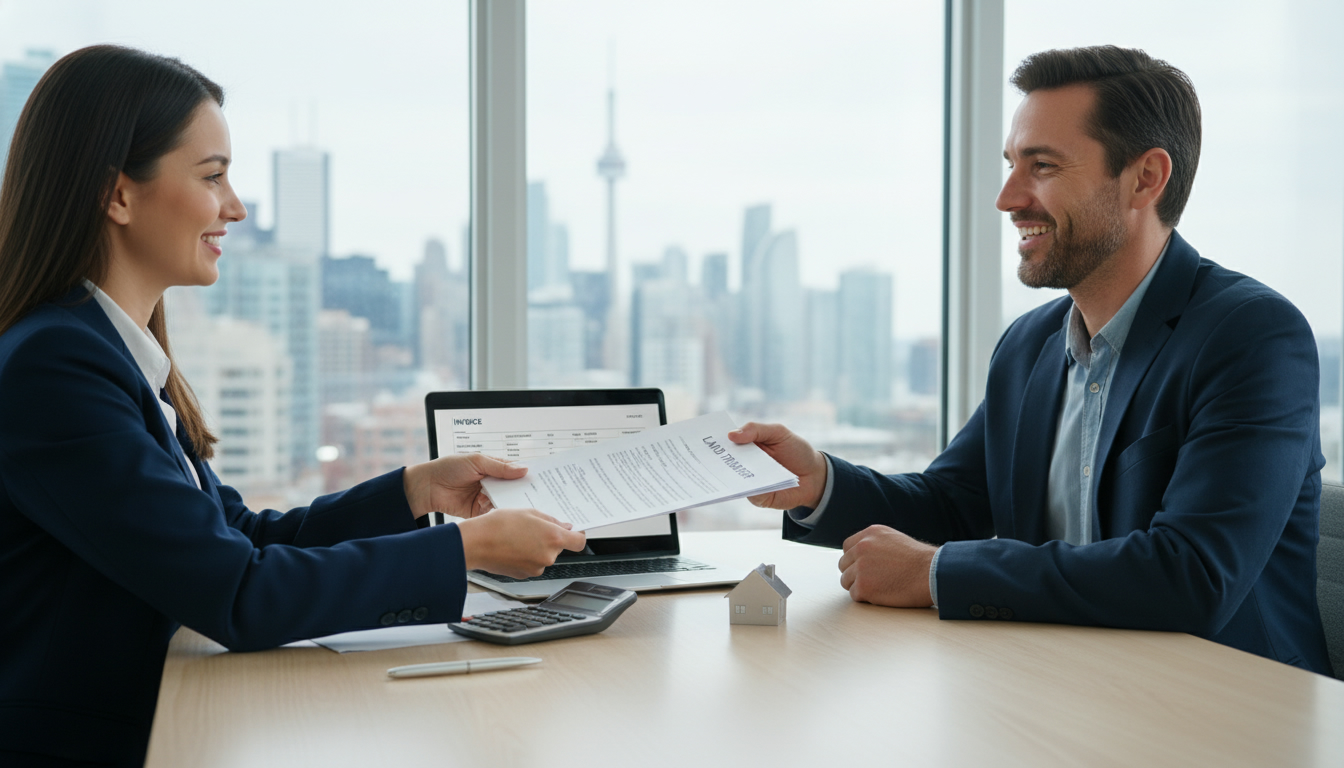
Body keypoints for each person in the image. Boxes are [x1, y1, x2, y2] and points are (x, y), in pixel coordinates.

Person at [0, 45, 586, 766]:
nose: (236, 208)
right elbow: (237, 593)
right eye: (212, 176)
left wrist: (413, 493)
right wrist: (463, 551)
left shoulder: (108, 351)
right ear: (117, 194)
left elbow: (233, 536)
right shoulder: (54, 367)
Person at [731, 45, 1334, 677]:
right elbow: (954, 504)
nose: (1008, 197)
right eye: (1012, 164)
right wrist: (820, 482)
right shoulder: (1030, 344)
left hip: (1229, 704)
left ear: (1145, 178)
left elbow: (1193, 574)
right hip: (1065, 683)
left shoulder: (1251, 336)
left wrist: (939, 573)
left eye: (1041, 166)